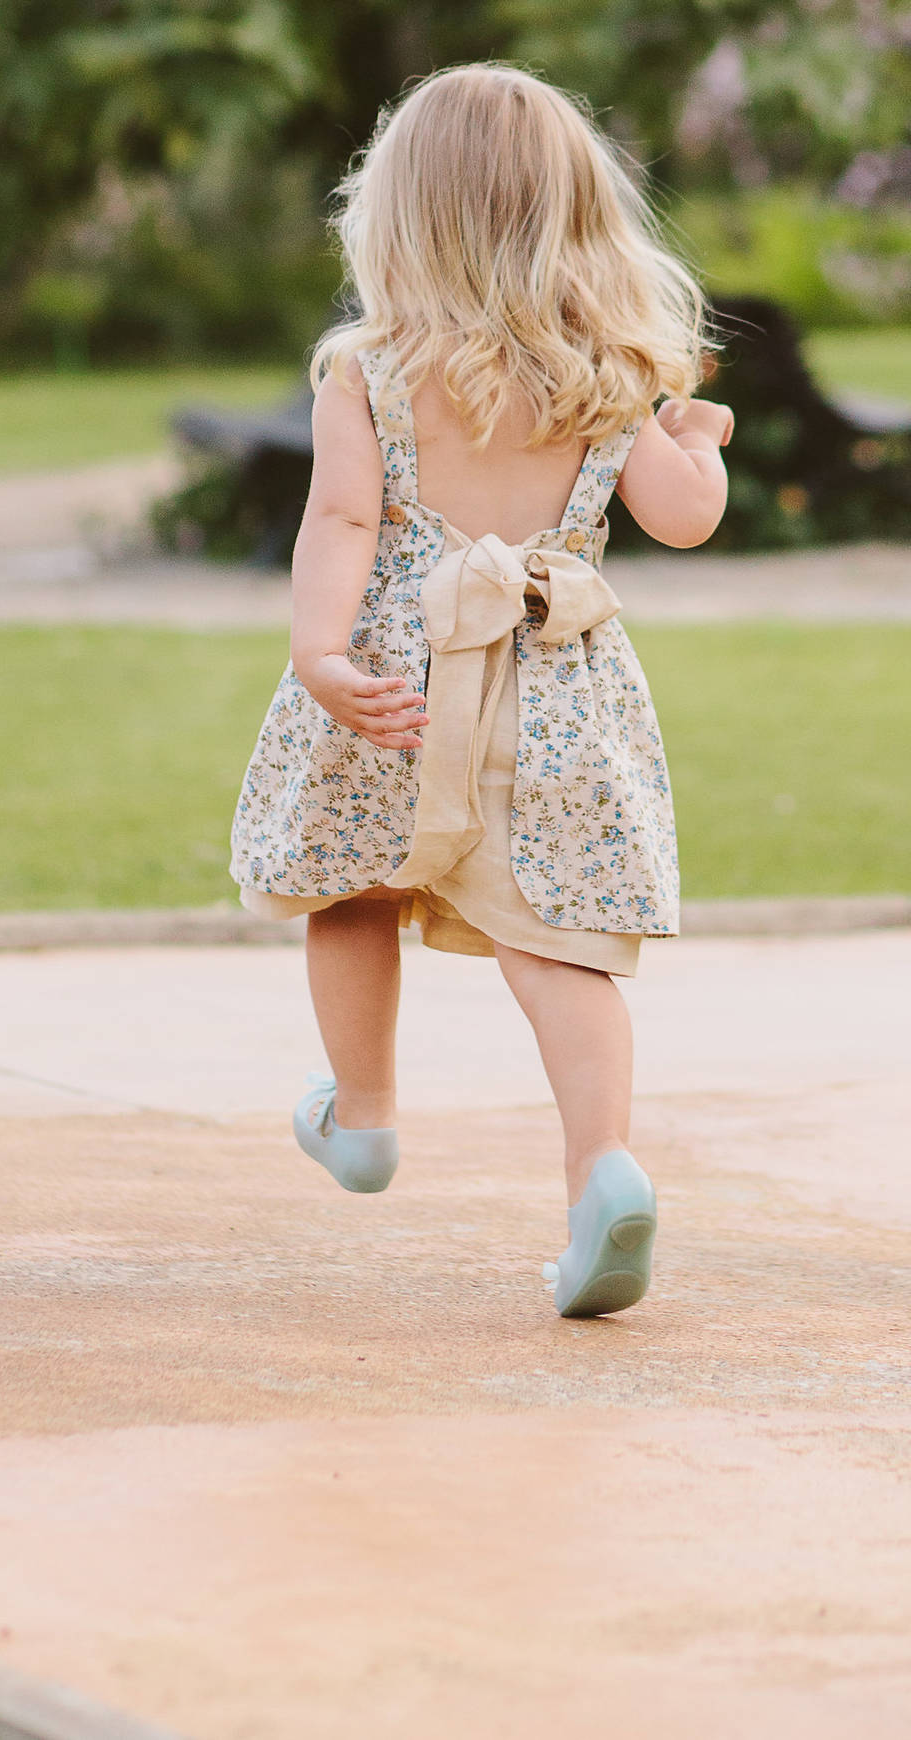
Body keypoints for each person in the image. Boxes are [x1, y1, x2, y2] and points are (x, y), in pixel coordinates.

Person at [230, 65, 733, 1319]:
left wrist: (320, 653)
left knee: (351, 881)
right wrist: (694, 448)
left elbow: (344, 513)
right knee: (560, 940)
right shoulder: (618, 369)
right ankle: (602, 1171)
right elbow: (681, 524)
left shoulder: (373, 368)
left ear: (397, 214)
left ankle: (364, 1116)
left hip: (396, 676)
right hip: (553, 682)